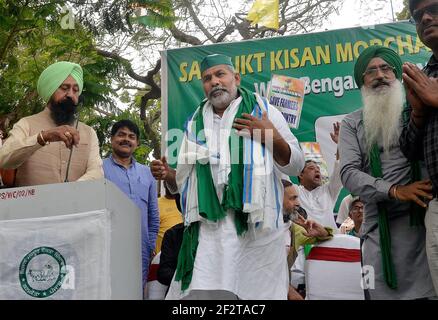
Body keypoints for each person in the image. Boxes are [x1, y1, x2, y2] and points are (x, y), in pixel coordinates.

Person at [151, 53, 305, 300]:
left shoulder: (264, 111)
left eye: (220, 74)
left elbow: (296, 166)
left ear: (236, 77)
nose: (214, 82)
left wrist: (271, 135)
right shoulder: (194, 123)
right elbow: (183, 184)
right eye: (207, 78)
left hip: (257, 233)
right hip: (210, 233)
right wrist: (168, 175)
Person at [339, 45, 435, 299]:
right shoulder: (351, 123)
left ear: (397, 76)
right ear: (362, 81)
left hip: (426, 227)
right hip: (376, 232)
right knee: (375, 291)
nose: (379, 75)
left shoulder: (420, 109)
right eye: (371, 71)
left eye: (386, 69)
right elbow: (348, 172)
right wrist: (394, 190)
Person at [0, 61, 103, 186]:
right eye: (64, 88)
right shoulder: (26, 124)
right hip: (31, 205)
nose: (71, 94)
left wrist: (69, 193)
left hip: (76, 204)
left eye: (76, 90)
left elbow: (97, 172)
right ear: (50, 89)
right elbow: (4, 159)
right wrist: (43, 137)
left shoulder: (89, 132)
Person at [400, 0, 438, 295]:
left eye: (434, 8)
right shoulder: (423, 75)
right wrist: (418, 113)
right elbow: (409, 151)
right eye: (417, 15)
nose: (425, 17)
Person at [103, 119, 159, 291]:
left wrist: (149, 246)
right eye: (121, 135)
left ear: (136, 144)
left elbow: (153, 216)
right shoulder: (99, 168)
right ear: (112, 139)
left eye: (131, 136)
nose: (126, 139)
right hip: (107, 244)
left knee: (136, 290)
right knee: (108, 289)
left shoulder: (147, 173)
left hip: (140, 249)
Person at [282, 179, 334, 300]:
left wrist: (321, 230)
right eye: (292, 198)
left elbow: (324, 237)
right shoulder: (261, 230)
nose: (298, 203)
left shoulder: (294, 230)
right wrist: (288, 290)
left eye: (297, 198)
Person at [297, 122, 342, 231]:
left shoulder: (328, 191)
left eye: (318, 169)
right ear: (300, 175)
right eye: (311, 168)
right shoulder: (295, 192)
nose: (317, 170)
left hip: (330, 244)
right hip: (305, 244)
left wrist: (340, 143)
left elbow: (340, 167)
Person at [155, 184, 183, 253]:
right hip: (162, 255)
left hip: (181, 251)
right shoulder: (155, 203)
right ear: (164, 184)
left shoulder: (184, 202)